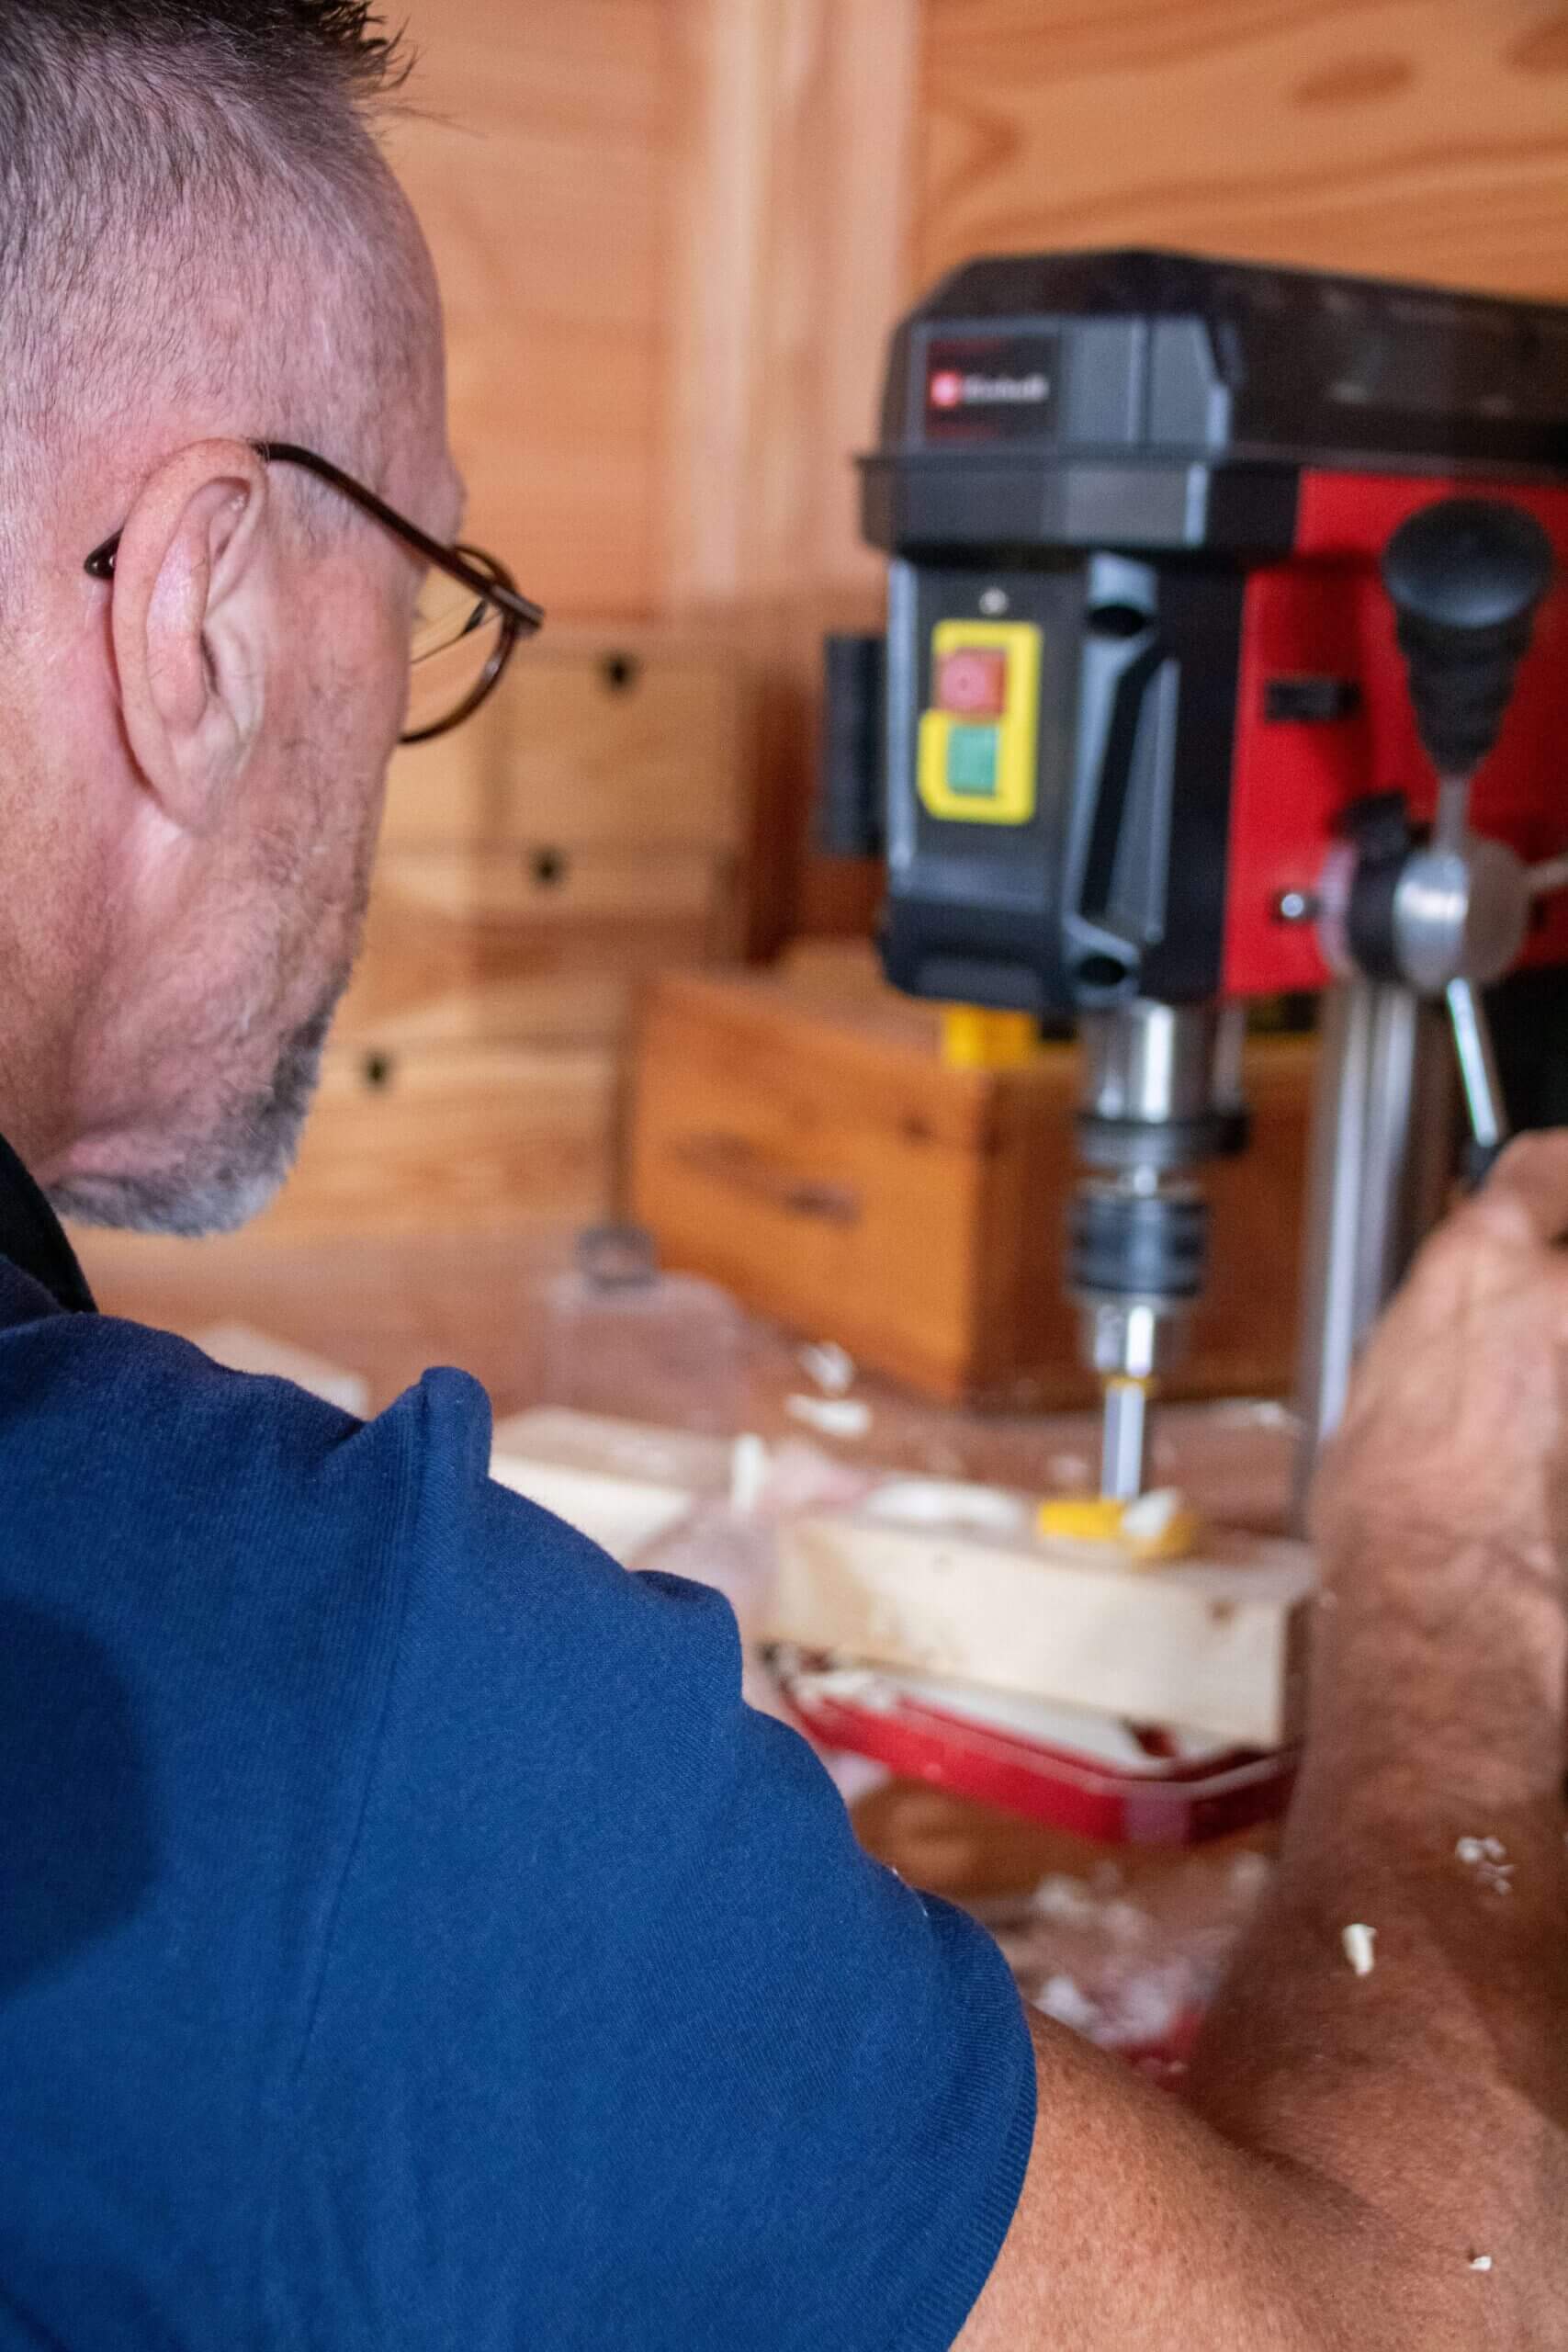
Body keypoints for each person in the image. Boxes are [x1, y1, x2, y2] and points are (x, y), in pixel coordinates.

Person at [0, 6, 1562, 2346]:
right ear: (196, 605)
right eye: (425, 589)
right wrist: (1442, 1595)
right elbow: (1401, 2321)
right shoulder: (283, 1703)